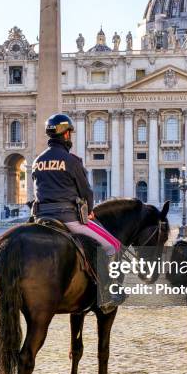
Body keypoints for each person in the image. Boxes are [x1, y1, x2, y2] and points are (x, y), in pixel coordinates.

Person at [31, 113, 122, 312]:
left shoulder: (37, 161)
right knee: (113, 245)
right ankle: (107, 294)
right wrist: (89, 211)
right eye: (70, 133)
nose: (70, 136)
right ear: (65, 135)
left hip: (40, 217)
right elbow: (86, 191)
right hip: (67, 218)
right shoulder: (71, 161)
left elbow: (36, 189)